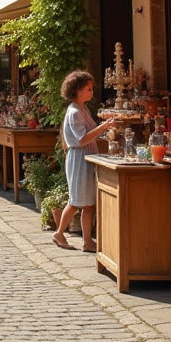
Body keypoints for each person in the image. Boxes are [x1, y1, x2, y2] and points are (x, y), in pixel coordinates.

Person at [54, 70, 117, 252]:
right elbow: (82, 139)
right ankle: (59, 233)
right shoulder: (74, 112)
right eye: (88, 89)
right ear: (78, 90)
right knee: (76, 200)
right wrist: (103, 127)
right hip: (80, 158)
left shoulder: (83, 109)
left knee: (89, 202)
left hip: (87, 156)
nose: (91, 92)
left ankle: (87, 242)